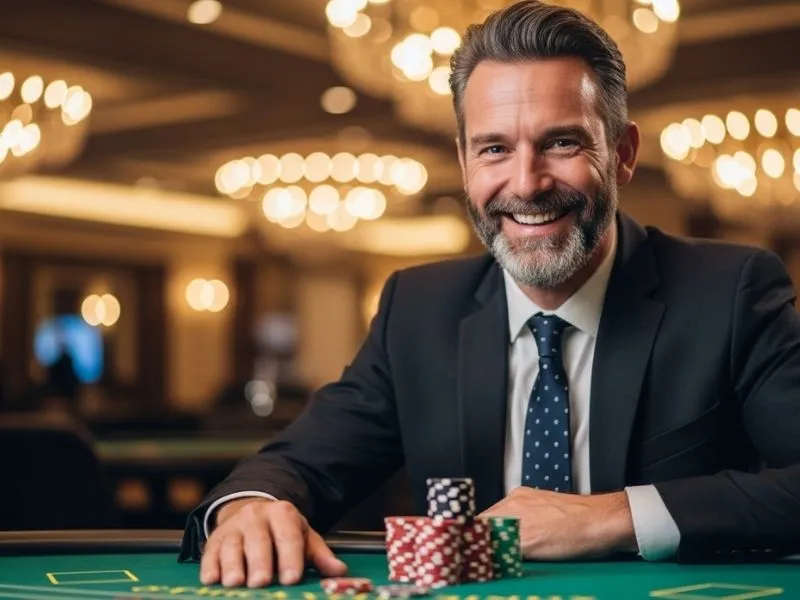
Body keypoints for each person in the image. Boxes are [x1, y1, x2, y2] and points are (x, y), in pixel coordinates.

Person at [180, 0, 800, 588]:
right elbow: (299, 461)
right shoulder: (417, 309)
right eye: (495, 149)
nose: (526, 184)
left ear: (623, 153)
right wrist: (252, 507)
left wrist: (614, 516)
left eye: (562, 142)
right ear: (464, 160)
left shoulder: (730, 290)